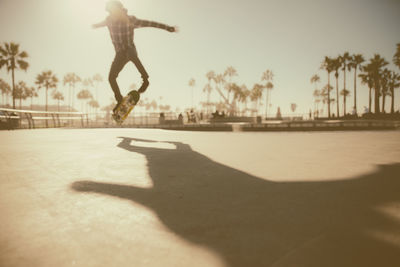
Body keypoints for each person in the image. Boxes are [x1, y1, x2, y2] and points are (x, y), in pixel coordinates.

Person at [92, 0, 177, 112]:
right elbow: (99, 24)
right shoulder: (109, 20)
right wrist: (93, 25)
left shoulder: (131, 20)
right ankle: (119, 100)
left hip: (130, 50)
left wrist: (167, 28)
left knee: (132, 55)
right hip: (119, 54)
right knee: (111, 78)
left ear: (120, 9)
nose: (114, 16)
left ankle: (145, 79)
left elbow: (150, 23)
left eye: (115, 12)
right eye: (111, 13)